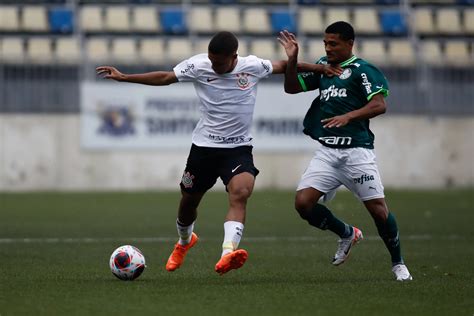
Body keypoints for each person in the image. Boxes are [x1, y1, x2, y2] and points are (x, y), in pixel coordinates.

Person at [97, 31, 339, 275]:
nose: (214, 65)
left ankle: (227, 253)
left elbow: (284, 65)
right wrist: (124, 77)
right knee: (188, 202)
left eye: (219, 62)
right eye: (211, 60)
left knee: (241, 192)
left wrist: (319, 69)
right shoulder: (199, 65)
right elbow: (165, 77)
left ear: (234, 57)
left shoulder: (252, 66)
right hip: (204, 148)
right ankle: (184, 241)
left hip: (237, 148)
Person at [278, 22, 413, 281]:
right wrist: (293, 59)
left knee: (378, 210)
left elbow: (379, 105)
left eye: (333, 44)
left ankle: (398, 264)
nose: (327, 49)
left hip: (357, 153)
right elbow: (291, 87)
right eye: (325, 43)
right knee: (303, 204)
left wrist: (349, 116)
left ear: (349, 43)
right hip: (328, 153)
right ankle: (347, 233)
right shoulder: (324, 67)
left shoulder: (363, 70)